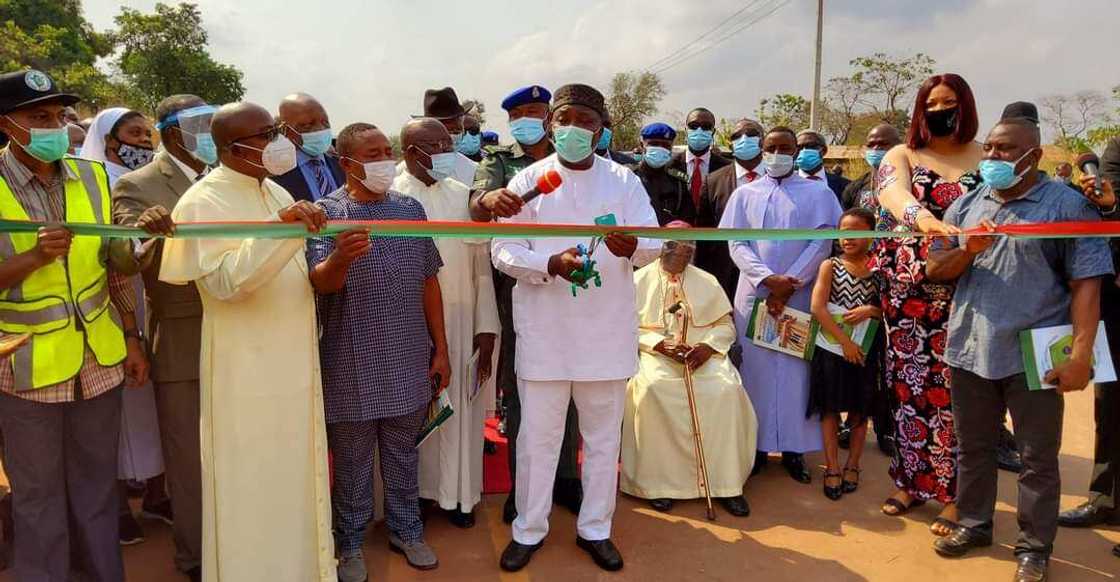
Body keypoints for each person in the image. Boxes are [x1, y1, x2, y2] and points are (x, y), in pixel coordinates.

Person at [927, 117, 1113, 582]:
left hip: (1035, 355)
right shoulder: (967, 206)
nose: (992, 158)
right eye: (988, 148)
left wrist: (1080, 356)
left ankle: (1034, 547)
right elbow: (937, 270)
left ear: (1034, 154)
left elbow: (1086, 285)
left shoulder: (1067, 207)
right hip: (969, 348)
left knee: (1036, 458)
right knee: (974, 448)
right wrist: (969, 250)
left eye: (1005, 150)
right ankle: (974, 524)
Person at [158, 102, 335, 581]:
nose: (278, 141)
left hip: (294, 362)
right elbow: (224, 285)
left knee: (293, 484)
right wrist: (282, 232)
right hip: (247, 374)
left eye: (276, 130)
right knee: (251, 487)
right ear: (230, 149)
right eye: (265, 134)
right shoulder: (202, 201)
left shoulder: (272, 187)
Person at [491, 83, 660, 573]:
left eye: (587, 121)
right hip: (545, 332)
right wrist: (550, 261)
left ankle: (596, 529)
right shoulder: (528, 181)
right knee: (537, 441)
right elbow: (502, 251)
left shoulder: (624, 181)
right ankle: (528, 528)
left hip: (604, 334)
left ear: (602, 129)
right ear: (551, 124)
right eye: (566, 118)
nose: (575, 129)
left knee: (603, 441)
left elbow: (649, 243)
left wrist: (634, 248)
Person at [0, 68, 149, 582]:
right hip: (26, 367)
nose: (54, 127)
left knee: (95, 486)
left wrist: (132, 336)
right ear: (6, 124)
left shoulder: (91, 177)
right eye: (37, 117)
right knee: (37, 494)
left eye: (59, 117)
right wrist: (32, 259)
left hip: (99, 358)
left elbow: (115, 266)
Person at [307, 122, 447, 580]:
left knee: (404, 453)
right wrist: (341, 257)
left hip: (408, 352)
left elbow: (430, 280)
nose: (385, 160)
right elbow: (320, 283)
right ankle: (349, 542)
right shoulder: (326, 214)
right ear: (346, 163)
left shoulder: (409, 210)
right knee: (351, 459)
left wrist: (440, 348)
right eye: (373, 153)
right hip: (350, 357)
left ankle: (406, 529)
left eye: (387, 150)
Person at [111, 94, 217, 581]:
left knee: (235, 447)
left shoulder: (228, 176)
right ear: (173, 131)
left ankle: (237, 541)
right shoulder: (140, 184)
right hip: (181, 335)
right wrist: (147, 233)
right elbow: (122, 258)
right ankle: (195, 556)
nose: (210, 129)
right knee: (189, 459)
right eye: (201, 123)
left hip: (241, 328)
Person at [872, 73, 984, 535]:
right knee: (908, 390)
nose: (941, 109)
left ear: (967, 106)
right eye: (932, 103)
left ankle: (957, 495)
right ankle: (910, 483)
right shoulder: (903, 154)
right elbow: (890, 193)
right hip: (909, 295)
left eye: (950, 102)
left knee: (959, 395)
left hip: (971, 289)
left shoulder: (984, 157)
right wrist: (925, 219)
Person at [471, 85, 585, 524]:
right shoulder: (498, 161)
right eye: (519, 113)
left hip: (575, 282)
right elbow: (477, 207)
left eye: (537, 112)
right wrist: (488, 199)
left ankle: (567, 480)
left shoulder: (579, 158)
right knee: (525, 386)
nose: (529, 119)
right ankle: (525, 487)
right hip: (522, 283)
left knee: (575, 380)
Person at [393, 118, 500, 529]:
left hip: (460, 319)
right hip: (405, 322)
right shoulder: (391, 195)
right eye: (433, 144)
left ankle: (459, 498)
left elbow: (480, 269)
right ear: (409, 151)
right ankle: (416, 497)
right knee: (412, 412)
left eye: (447, 142)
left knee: (460, 410)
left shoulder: (464, 196)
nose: (444, 151)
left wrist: (487, 330)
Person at [720, 126, 842, 484]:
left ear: (795, 151)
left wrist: (790, 283)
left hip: (800, 297)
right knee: (753, 372)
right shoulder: (745, 194)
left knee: (794, 373)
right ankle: (754, 449)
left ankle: (793, 450)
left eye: (784, 148)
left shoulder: (818, 193)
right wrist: (766, 279)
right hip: (755, 295)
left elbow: (822, 243)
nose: (777, 153)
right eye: (770, 147)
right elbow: (735, 243)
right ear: (761, 150)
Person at [79, 107, 177, 547]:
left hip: (150, 301)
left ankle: (158, 495)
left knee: (155, 409)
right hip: (111, 310)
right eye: (133, 134)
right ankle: (118, 507)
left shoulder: (157, 180)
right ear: (109, 139)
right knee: (116, 417)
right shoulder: (93, 182)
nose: (143, 141)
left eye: (147, 134)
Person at [621, 227, 756, 517]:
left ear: (692, 251)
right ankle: (657, 485)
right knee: (653, 388)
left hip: (703, 357)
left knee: (726, 390)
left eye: (686, 247)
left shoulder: (707, 281)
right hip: (656, 356)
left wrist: (707, 347)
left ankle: (725, 485)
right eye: (673, 245)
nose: (680, 251)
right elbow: (623, 327)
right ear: (660, 247)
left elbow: (725, 325)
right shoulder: (636, 280)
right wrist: (658, 344)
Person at [1058, 136, 1120, 562]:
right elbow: (1110, 210)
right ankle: (1105, 500)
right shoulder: (1118, 149)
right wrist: (1110, 205)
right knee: (1112, 404)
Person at [808, 208, 883, 500]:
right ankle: (833, 467)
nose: (847, 238)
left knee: (860, 409)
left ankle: (854, 464)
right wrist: (845, 344)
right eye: (843, 231)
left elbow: (894, 305)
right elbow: (818, 307)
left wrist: (871, 310)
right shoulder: (830, 265)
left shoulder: (880, 267)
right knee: (829, 407)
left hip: (867, 348)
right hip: (831, 347)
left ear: (870, 233)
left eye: (854, 231)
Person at [697, 118, 766, 301]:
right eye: (737, 136)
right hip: (725, 275)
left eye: (750, 134)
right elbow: (705, 238)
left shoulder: (779, 178)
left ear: (762, 141)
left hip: (769, 272)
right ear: (731, 143)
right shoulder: (713, 181)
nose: (744, 139)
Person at [272, 92, 345, 203]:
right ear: (285, 130)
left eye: (325, 123)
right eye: (307, 125)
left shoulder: (344, 165)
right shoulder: (274, 173)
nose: (320, 129)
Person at [407, 87, 478, 189]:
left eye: (456, 131)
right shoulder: (404, 173)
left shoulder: (472, 170)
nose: (450, 138)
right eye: (445, 131)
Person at [630, 122, 695, 225]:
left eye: (665, 145)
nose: (660, 148)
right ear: (642, 145)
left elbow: (687, 214)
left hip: (671, 238)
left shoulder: (678, 179)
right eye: (654, 144)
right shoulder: (629, 177)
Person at [671, 107, 731, 211]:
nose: (699, 130)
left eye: (706, 127)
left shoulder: (727, 168)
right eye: (693, 126)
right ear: (686, 131)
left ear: (713, 132)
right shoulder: (669, 166)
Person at [841, 123, 901, 212]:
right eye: (870, 145)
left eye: (882, 144)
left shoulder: (914, 183)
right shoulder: (854, 188)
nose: (875, 148)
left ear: (898, 146)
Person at [796, 129, 850, 202]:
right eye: (799, 147)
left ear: (824, 151)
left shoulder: (846, 186)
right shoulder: (784, 185)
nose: (804, 150)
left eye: (811, 146)